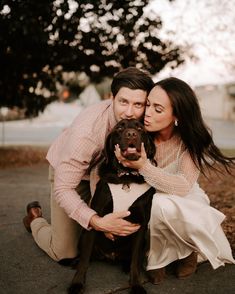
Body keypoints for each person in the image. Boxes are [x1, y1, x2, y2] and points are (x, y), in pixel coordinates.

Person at [23, 67, 154, 261]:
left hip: (107, 175)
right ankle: (36, 220)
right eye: (123, 102)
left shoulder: (144, 122)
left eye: (138, 104)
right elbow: (64, 188)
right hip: (75, 176)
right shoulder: (87, 133)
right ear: (112, 98)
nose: (129, 112)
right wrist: (98, 222)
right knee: (66, 252)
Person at [115, 77, 235, 284]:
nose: (148, 113)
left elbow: (183, 186)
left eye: (158, 109)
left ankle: (188, 250)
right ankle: (158, 258)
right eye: (148, 104)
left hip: (185, 200)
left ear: (176, 115)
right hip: (150, 200)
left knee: (161, 203)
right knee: (153, 203)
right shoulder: (140, 134)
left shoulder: (188, 141)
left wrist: (144, 167)